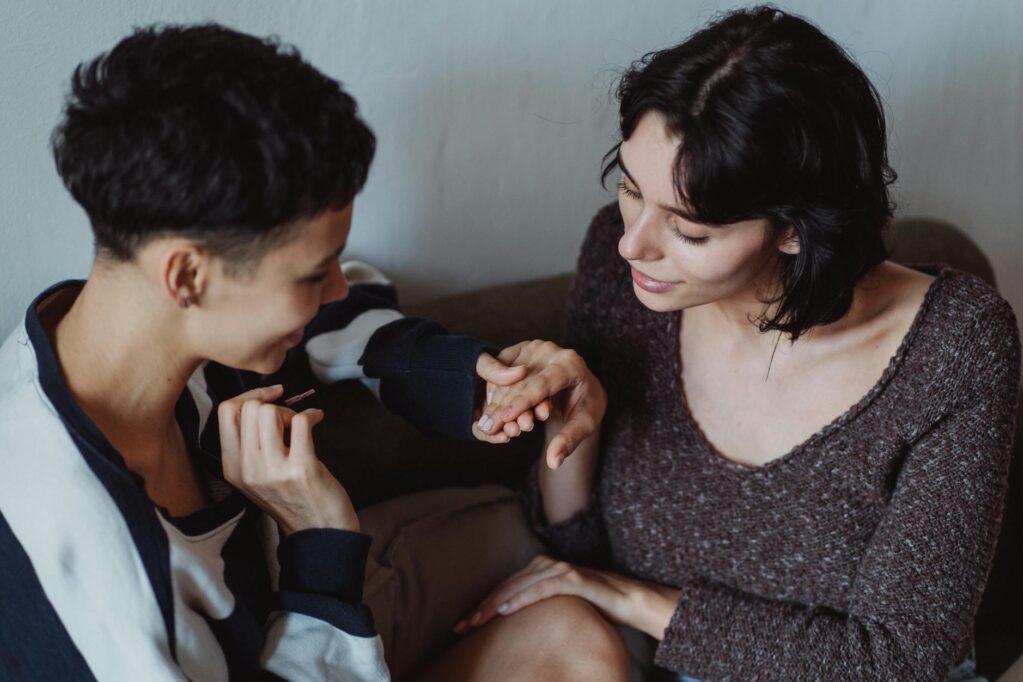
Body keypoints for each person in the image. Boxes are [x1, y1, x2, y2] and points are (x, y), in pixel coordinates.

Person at [0, 24, 602, 680]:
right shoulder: (99, 590)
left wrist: (476, 380)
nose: (338, 285)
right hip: (309, 613)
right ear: (186, 276)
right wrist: (319, 539)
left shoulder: (119, 320)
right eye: (315, 273)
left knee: (577, 600)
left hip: (301, 606)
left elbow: (341, 312)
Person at [439, 6, 1021, 681]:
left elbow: (897, 659)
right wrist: (574, 426)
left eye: (689, 231)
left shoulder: (956, 346)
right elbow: (578, 551)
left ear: (796, 230)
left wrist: (637, 601)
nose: (635, 241)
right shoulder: (620, 266)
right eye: (630, 188)